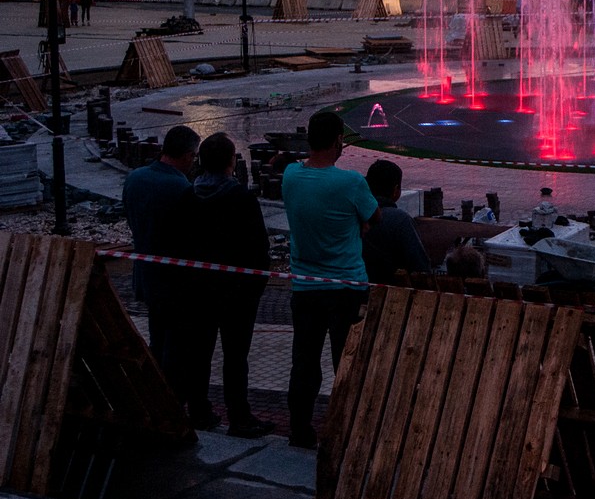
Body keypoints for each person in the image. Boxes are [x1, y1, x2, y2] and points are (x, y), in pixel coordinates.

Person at [282, 111, 380, 449]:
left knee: (304, 362)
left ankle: (300, 429)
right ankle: (347, 430)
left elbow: (298, 164)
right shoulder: (351, 182)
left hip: (306, 288)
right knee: (348, 363)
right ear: (339, 141)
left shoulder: (291, 176)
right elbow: (374, 217)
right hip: (346, 288)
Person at [173, 133, 275, 439]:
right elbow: (258, 245)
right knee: (235, 357)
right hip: (237, 292)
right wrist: (257, 282)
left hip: (199, 288)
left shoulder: (189, 195)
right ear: (232, 161)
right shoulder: (240, 198)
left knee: (199, 352)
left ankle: (199, 410)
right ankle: (239, 416)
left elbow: (182, 244)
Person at [123, 126, 200, 414]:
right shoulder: (181, 189)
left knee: (158, 340)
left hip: (146, 276)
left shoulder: (134, 179)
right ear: (189, 155)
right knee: (178, 347)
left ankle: (156, 396)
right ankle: (171, 403)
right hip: (177, 284)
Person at [362, 159, 430, 284]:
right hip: (390, 294)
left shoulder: (353, 214)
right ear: (396, 190)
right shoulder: (400, 219)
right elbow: (421, 268)